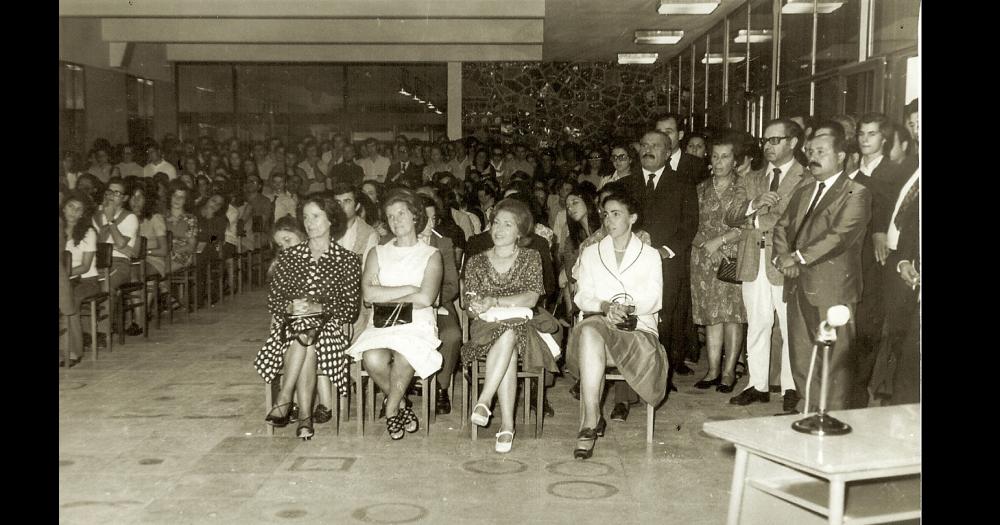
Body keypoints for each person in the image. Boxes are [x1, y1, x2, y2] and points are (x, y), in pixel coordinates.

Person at [772, 130, 871, 413]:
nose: (813, 158)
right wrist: (782, 259)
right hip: (798, 284)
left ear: (840, 156)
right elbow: (781, 226)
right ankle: (810, 412)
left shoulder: (856, 193)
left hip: (833, 289)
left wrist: (797, 258)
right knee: (802, 356)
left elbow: (840, 236)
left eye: (821, 152)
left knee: (834, 361)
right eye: (811, 152)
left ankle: (831, 418)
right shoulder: (804, 190)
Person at [568, 192, 668, 459]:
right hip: (601, 324)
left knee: (592, 337)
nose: (609, 220)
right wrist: (604, 307)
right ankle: (590, 420)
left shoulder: (649, 255)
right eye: (606, 214)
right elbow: (581, 296)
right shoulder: (591, 253)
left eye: (616, 214)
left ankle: (590, 424)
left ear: (632, 218)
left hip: (638, 330)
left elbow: (654, 298)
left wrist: (626, 308)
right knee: (590, 331)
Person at [254, 195, 361, 440]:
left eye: (316, 216)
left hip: (330, 330)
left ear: (331, 220)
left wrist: (318, 306)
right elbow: (274, 301)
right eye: (305, 217)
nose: (309, 223)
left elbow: (349, 309)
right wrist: (290, 307)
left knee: (306, 335)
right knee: (305, 335)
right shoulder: (290, 256)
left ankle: (285, 397)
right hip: (288, 329)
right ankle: (305, 418)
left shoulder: (346, 261)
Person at [462, 198, 560, 453]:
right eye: (496, 222)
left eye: (508, 224)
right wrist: (476, 306)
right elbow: (469, 302)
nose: (499, 229)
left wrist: (495, 300)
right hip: (485, 327)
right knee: (507, 339)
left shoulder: (530, 257)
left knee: (509, 335)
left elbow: (531, 297)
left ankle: (485, 400)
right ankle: (506, 424)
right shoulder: (475, 261)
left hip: (523, 325)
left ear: (520, 232)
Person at [724, 119, 809, 411]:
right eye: (766, 140)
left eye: (776, 140)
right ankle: (757, 384)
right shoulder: (751, 178)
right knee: (758, 325)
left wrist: (756, 222)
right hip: (752, 262)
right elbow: (731, 215)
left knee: (788, 327)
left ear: (793, 143)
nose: (769, 146)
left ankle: (790, 387)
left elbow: (796, 221)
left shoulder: (806, 177)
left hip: (783, 262)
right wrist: (755, 202)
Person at [347, 188, 444, 440]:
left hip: (416, 322)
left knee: (404, 355)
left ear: (415, 216)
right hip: (383, 321)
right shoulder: (377, 252)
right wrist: (410, 289)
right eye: (390, 216)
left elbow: (426, 299)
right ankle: (401, 406)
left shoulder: (431, 255)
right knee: (372, 358)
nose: (396, 220)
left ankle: (390, 409)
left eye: (401, 214)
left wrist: (386, 292)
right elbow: (368, 295)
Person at [622, 130, 699, 382]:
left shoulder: (683, 184)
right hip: (630, 263)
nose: (648, 149)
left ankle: (659, 376)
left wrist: (665, 251)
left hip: (667, 262)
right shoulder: (624, 184)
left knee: (665, 317)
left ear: (668, 153)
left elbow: (689, 225)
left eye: (655, 146)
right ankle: (631, 372)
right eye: (644, 144)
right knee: (632, 315)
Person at [689, 135, 748, 394]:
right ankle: (712, 370)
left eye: (725, 156)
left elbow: (749, 224)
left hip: (733, 258)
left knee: (733, 316)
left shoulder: (744, 188)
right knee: (712, 317)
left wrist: (719, 243)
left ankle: (728, 372)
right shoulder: (699, 188)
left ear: (735, 160)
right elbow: (689, 223)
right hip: (704, 259)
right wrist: (706, 245)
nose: (720, 161)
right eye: (715, 156)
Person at [62, 192, 100, 366]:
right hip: (64, 279)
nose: (73, 212)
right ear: (63, 207)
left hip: (86, 280)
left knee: (70, 300)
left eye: (78, 209)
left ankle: (74, 351)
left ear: (83, 213)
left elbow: (85, 266)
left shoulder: (88, 232)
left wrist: (63, 274)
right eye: (70, 206)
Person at [92, 177, 140, 306]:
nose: (112, 196)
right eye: (109, 191)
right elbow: (92, 245)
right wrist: (112, 247)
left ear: (124, 198)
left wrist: (110, 219)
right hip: (96, 262)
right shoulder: (96, 216)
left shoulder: (130, 217)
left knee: (105, 287)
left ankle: (105, 326)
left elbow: (120, 243)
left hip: (119, 264)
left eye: (117, 193)